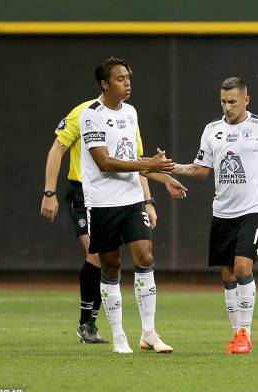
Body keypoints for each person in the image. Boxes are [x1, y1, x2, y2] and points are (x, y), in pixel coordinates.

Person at [172, 77, 258, 354]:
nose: (227, 107)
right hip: (222, 211)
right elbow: (201, 170)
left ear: (246, 100)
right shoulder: (212, 130)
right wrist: (172, 168)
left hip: (254, 209)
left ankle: (245, 333)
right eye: (223, 102)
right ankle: (235, 333)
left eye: (233, 102)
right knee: (227, 275)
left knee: (242, 268)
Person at [79, 57, 179, 353]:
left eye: (128, 77)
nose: (128, 82)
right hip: (103, 202)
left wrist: (161, 178)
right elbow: (105, 161)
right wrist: (147, 163)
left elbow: (131, 157)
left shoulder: (131, 112)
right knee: (111, 266)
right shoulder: (91, 115)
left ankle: (148, 333)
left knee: (145, 257)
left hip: (132, 198)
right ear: (105, 84)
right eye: (121, 78)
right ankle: (119, 335)